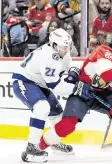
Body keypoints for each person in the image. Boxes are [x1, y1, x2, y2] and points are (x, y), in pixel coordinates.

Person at [39, 31, 112, 158]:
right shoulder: (105, 51)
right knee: (68, 125)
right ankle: (39, 146)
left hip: (102, 93)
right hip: (82, 92)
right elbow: (106, 74)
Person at [12, 28, 79, 162]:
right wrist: (76, 89)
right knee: (42, 108)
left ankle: (53, 142)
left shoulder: (61, 52)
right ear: (54, 45)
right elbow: (56, 86)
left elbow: (70, 63)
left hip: (40, 84)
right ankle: (31, 148)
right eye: (63, 47)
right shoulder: (49, 57)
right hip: (25, 81)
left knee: (59, 117)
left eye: (68, 46)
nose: (66, 50)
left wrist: (74, 71)